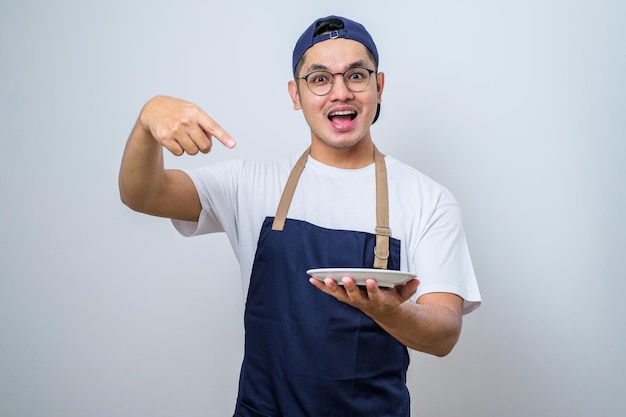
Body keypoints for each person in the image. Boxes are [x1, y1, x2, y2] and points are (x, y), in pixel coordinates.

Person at [119, 15, 481, 417]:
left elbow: (443, 334)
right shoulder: (249, 183)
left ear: (379, 87)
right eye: (320, 79)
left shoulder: (427, 200)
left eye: (357, 76)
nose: (340, 93)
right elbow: (143, 194)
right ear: (296, 94)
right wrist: (146, 120)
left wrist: (391, 311)